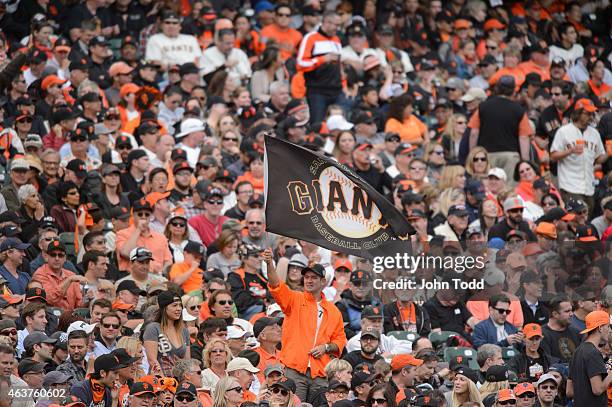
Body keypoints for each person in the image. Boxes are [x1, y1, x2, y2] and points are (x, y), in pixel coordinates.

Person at [263, 248, 346, 403]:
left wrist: (326, 348)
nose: (309, 280)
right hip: (294, 369)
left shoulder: (334, 311)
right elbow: (275, 285)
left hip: (321, 372)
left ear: (323, 281)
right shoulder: (294, 299)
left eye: (314, 277)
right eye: (306, 277)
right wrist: (269, 263)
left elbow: (340, 340)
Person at [468, 76, 532, 181]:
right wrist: (525, 161)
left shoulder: (483, 107)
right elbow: (524, 138)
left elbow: (474, 133)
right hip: (510, 156)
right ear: (513, 91)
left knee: (488, 188)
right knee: (510, 190)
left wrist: (473, 156)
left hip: (487, 155)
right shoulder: (519, 110)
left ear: (497, 89)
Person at [550, 98, 607, 212]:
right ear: (578, 113)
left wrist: (609, 153)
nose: (591, 116)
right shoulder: (564, 131)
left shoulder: (594, 133)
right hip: (570, 185)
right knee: (576, 217)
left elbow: (598, 159)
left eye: (592, 113)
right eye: (587, 113)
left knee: (585, 220)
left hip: (588, 187)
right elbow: (553, 156)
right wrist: (570, 151)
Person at [568, 310, 612, 405]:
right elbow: (597, 389)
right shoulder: (593, 353)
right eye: (608, 326)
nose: (610, 330)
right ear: (600, 328)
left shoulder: (577, 351)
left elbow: (569, 391)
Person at [143, 291, 190, 376]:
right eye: (174, 305)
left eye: (180, 305)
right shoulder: (153, 328)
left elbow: (187, 361)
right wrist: (164, 382)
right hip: (159, 380)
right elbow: (152, 360)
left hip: (179, 381)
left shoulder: (184, 331)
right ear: (164, 308)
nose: (179, 308)